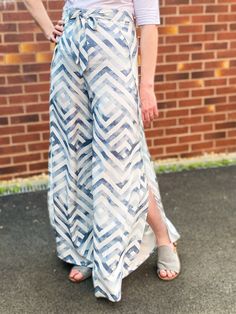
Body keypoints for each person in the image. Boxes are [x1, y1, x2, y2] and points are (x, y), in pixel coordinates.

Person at [23, 0, 181, 302]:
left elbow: (148, 23)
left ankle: (163, 238)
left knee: (120, 160)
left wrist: (146, 86)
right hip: (70, 60)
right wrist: (47, 27)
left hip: (115, 60)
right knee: (75, 158)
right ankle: (85, 246)